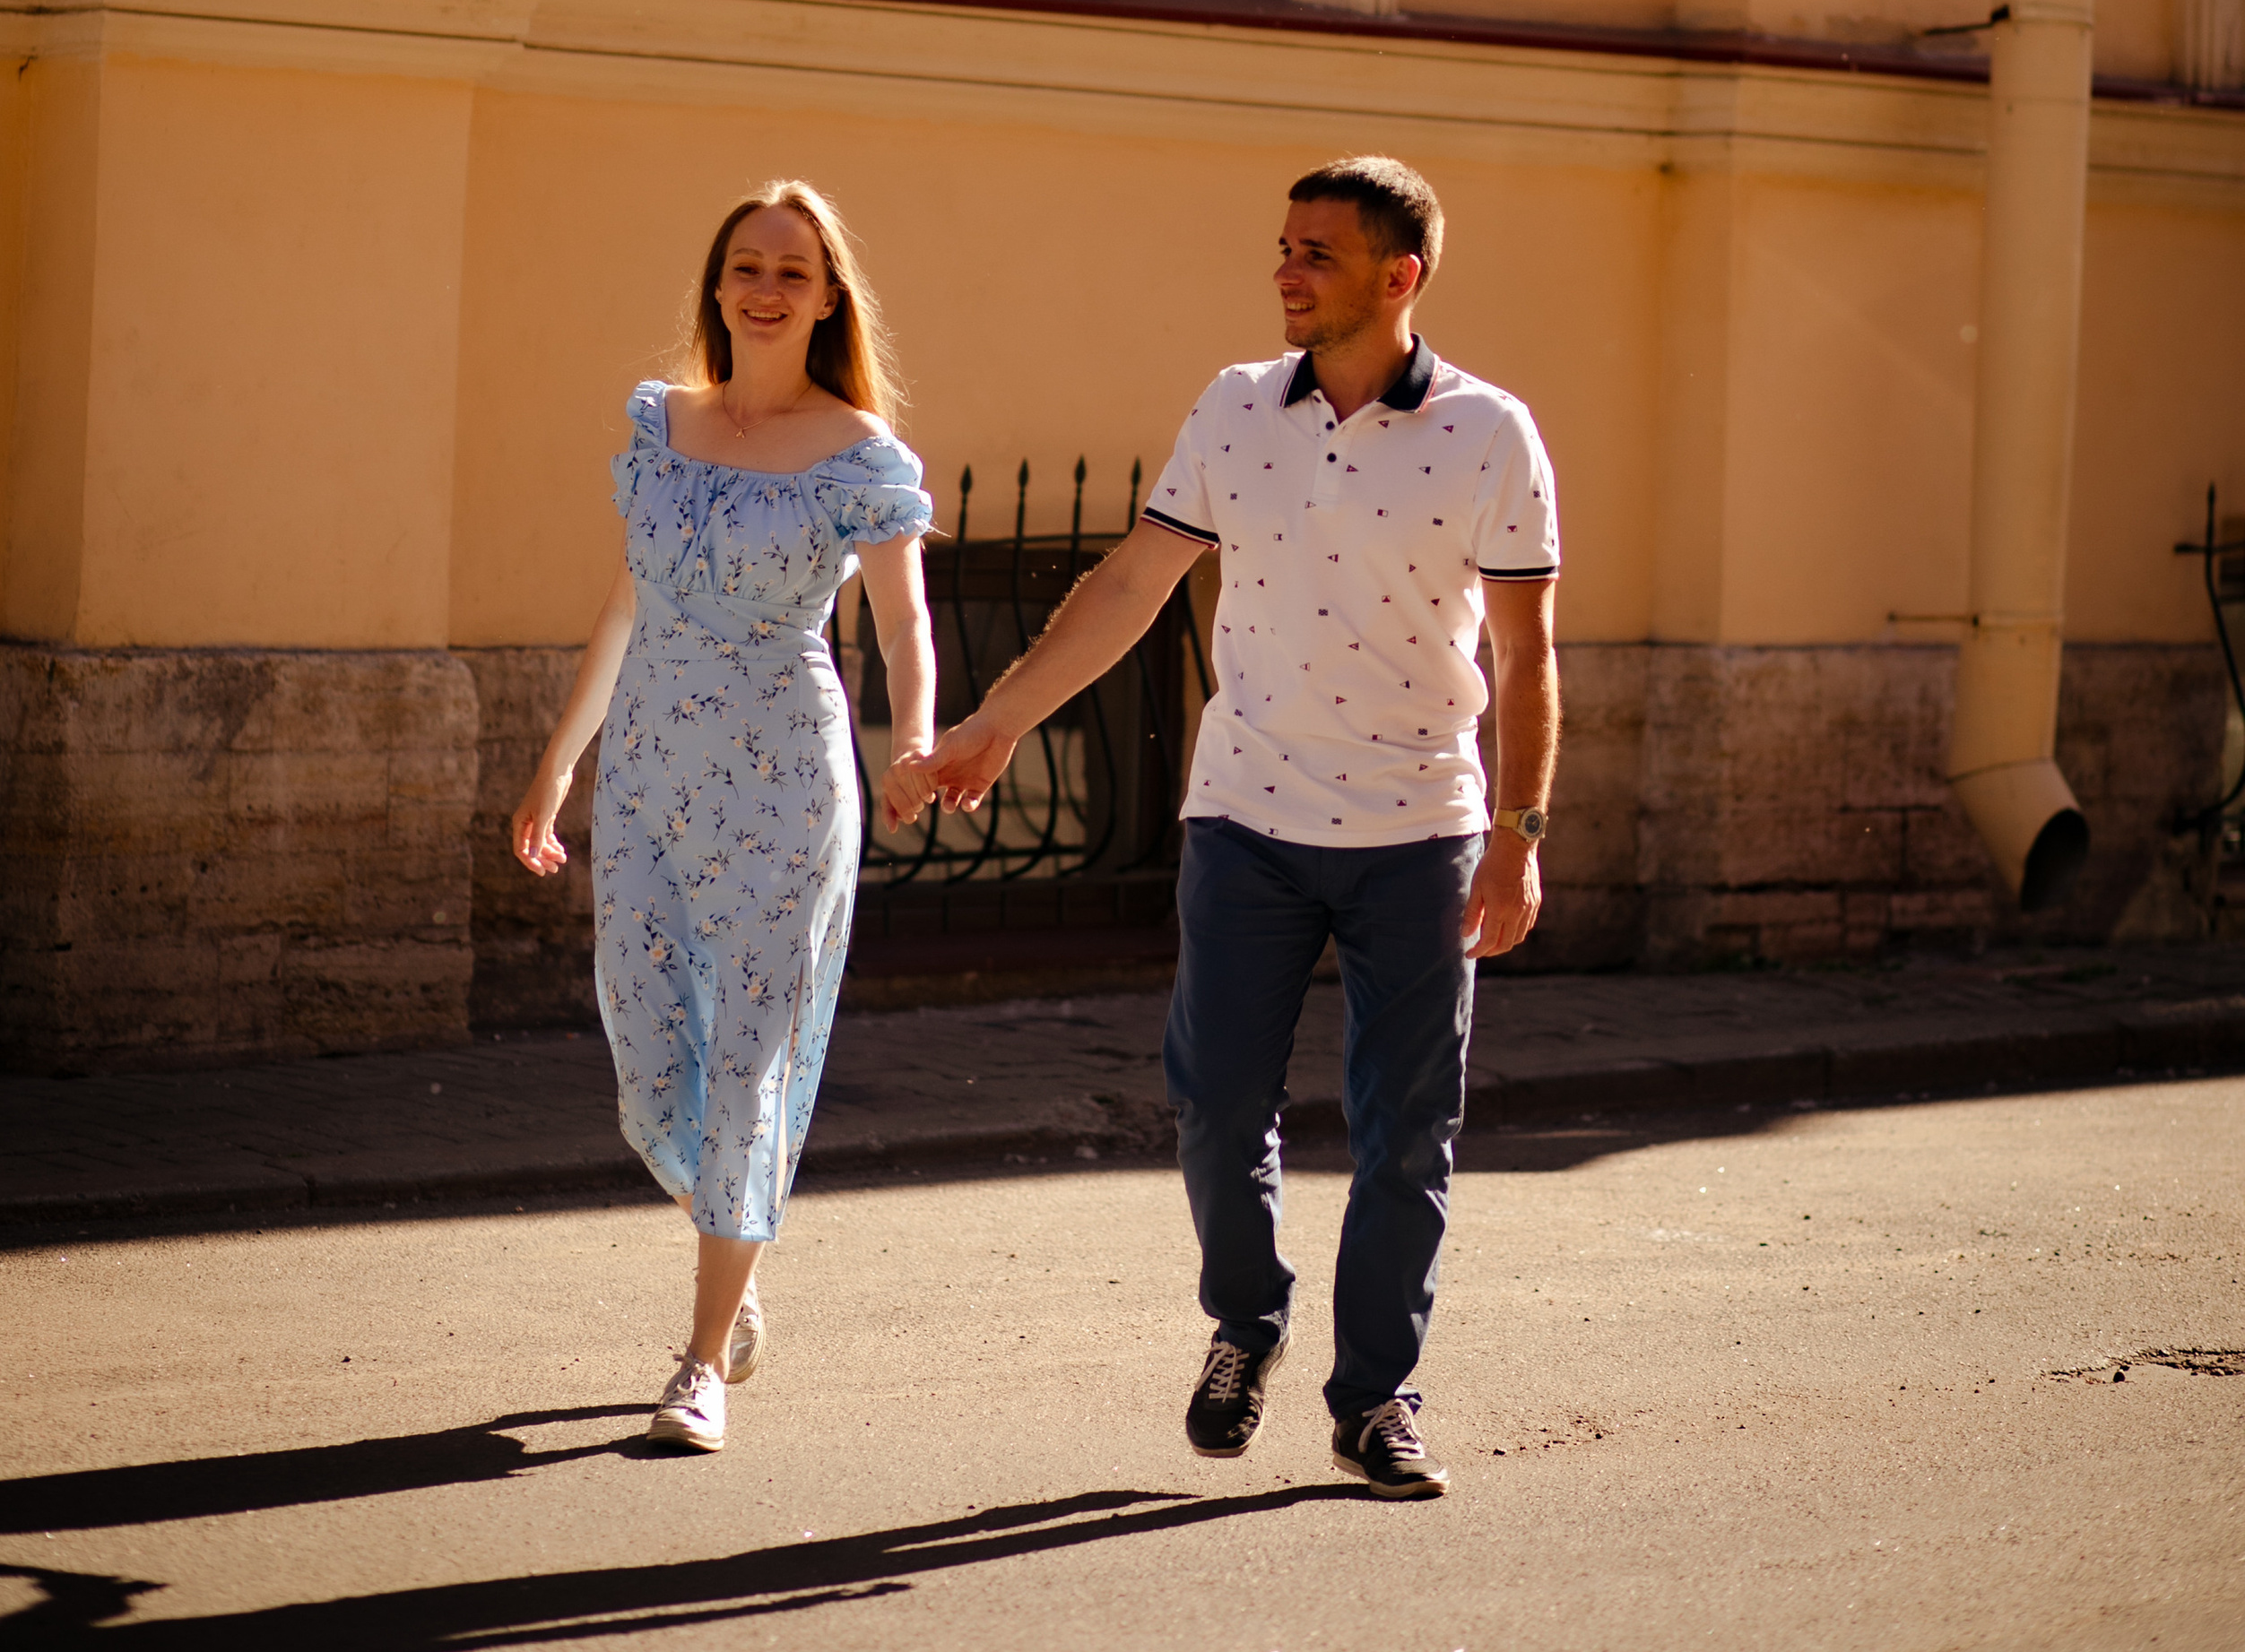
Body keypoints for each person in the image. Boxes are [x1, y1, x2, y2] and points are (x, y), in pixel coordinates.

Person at [906, 154, 1558, 1501]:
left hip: (1419, 828)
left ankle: (1375, 1397)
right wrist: (1004, 719)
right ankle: (1247, 1319)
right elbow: (1135, 581)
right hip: (1246, 817)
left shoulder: (1491, 434)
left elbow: (1530, 653)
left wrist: (1520, 831)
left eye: (1315, 252)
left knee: (1405, 1131)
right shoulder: (1234, 408)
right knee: (1213, 1103)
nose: (1285, 270)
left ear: (1400, 275)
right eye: (1282, 246)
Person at [514, 180, 937, 1454]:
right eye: (746, 265)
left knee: (751, 1056)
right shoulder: (662, 422)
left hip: (785, 773)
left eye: (793, 272)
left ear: (825, 297)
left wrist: (913, 738)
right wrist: (556, 771)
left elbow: (906, 620)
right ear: (717, 284)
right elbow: (626, 606)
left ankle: (699, 1358)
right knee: (655, 1050)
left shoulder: (860, 450)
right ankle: (735, 1263)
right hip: (648, 769)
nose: (766, 287)